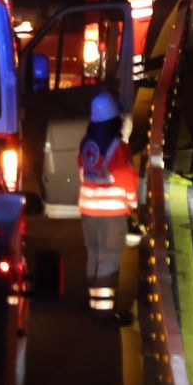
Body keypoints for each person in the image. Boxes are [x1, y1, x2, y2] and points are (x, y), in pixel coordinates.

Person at [77, 91, 137, 321]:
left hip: (88, 210)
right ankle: (102, 312)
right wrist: (131, 206)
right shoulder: (118, 147)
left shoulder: (86, 145)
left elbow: (82, 174)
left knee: (94, 255)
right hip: (112, 212)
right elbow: (127, 180)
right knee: (109, 258)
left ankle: (93, 303)